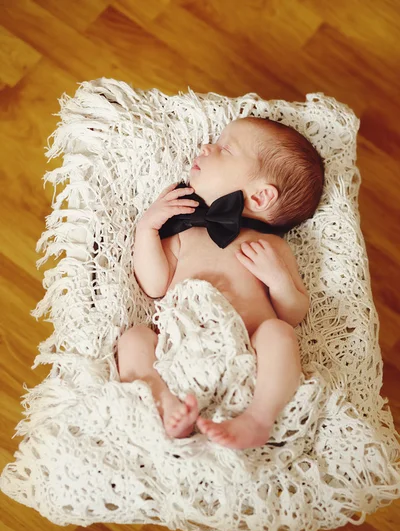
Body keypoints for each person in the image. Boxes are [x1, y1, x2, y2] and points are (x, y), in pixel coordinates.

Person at [117, 116, 324, 449]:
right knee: (134, 339)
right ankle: (165, 403)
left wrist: (279, 280)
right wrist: (147, 230)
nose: (207, 146)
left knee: (279, 335)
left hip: (245, 355)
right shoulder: (187, 232)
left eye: (226, 148)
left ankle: (258, 416)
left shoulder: (272, 248)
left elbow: (293, 314)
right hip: (176, 351)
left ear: (261, 197)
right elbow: (154, 285)